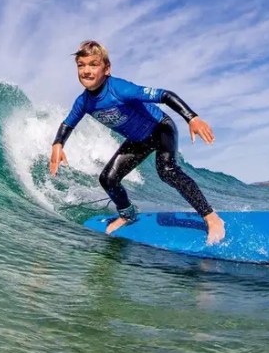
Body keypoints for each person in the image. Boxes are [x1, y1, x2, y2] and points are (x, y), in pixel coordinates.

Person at [49, 40, 225, 245]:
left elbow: (164, 95)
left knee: (167, 171)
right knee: (108, 179)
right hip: (138, 140)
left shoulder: (120, 89)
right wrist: (58, 144)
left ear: (107, 69)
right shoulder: (84, 102)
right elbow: (68, 123)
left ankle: (211, 217)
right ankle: (127, 214)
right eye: (81, 65)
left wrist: (191, 117)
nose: (86, 71)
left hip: (160, 128)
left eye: (93, 64)